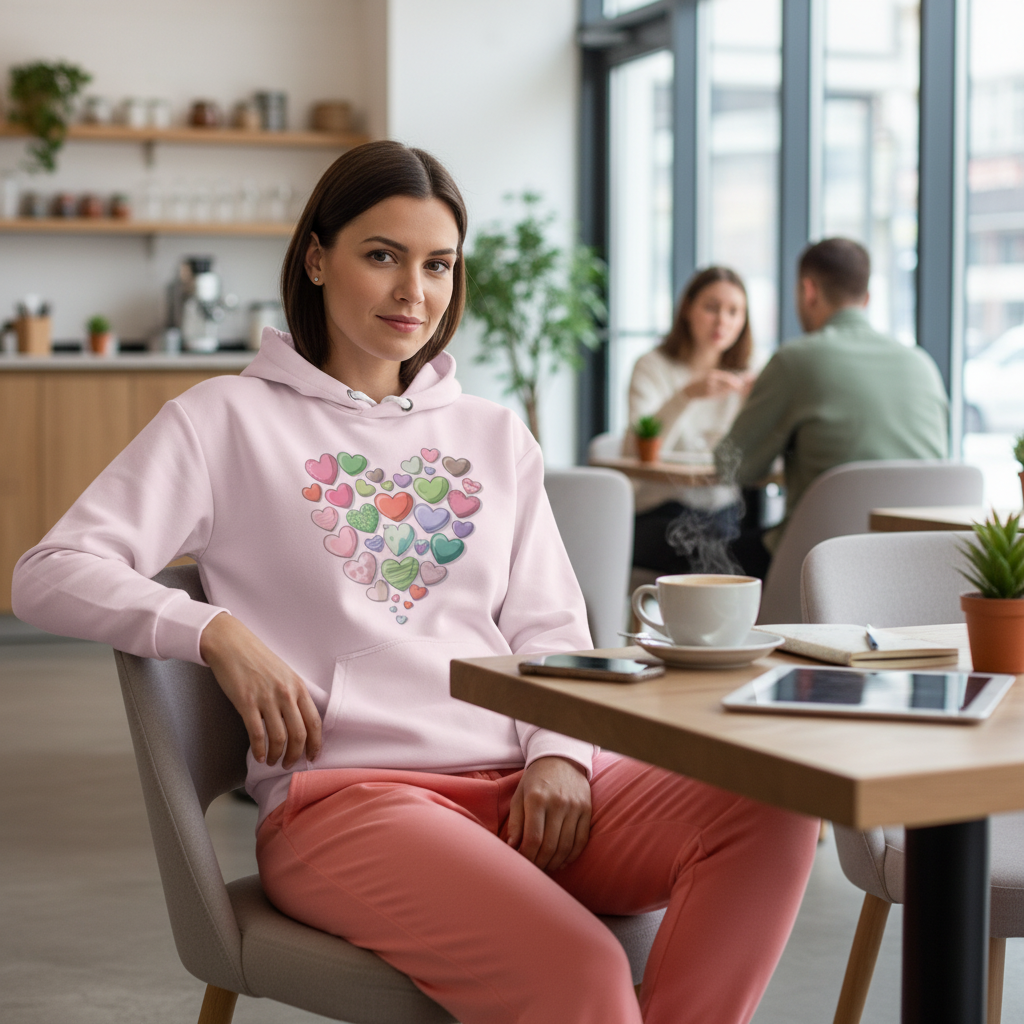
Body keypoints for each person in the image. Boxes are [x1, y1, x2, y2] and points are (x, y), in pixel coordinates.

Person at [12, 141, 818, 1024]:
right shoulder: (222, 420)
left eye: (438, 264)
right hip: (351, 802)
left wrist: (559, 754)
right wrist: (214, 632)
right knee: (583, 969)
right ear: (317, 259)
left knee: (776, 807)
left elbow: (550, 623)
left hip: (522, 784)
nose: (414, 292)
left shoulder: (493, 433)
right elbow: (49, 573)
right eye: (382, 255)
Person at [717, 237, 949, 579]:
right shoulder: (922, 365)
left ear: (808, 290)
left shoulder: (795, 361)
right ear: (866, 298)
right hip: (917, 571)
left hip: (821, 568)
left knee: (699, 554)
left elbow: (730, 466)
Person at [625, 267, 755, 575]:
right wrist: (686, 396)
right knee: (717, 554)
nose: (722, 320)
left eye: (734, 311)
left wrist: (757, 402)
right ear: (687, 308)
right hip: (658, 512)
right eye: (711, 307)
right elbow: (636, 448)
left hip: (722, 513)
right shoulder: (652, 367)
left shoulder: (749, 376)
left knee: (759, 552)